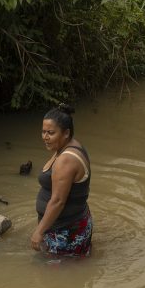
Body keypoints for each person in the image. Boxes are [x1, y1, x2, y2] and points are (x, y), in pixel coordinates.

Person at [30, 104, 93, 256]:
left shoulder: (66, 159)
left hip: (66, 231)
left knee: (53, 276)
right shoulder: (68, 146)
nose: (45, 137)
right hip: (66, 225)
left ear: (66, 133)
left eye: (50, 133)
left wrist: (39, 232)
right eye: (43, 132)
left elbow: (58, 201)